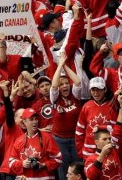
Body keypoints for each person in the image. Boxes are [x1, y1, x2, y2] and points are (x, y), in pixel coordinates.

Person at [50, 52, 82, 180]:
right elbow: (53, 85)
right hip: (59, 140)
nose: (64, 86)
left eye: (66, 83)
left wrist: (64, 66)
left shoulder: (75, 95)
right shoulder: (55, 98)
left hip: (76, 139)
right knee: (64, 172)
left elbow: (78, 82)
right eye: (61, 84)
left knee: (78, 170)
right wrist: (59, 66)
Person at [9, 108, 62, 179]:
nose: (35, 122)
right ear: (24, 121)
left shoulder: (47, 137)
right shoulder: (19, 140)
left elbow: (58, 159)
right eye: (31, 119)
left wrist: (44, 165)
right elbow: (11, 162)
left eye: (36, 119)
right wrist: (22, 164)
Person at [75, 77, 117, 159]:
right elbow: (79, 130)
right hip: (89, 152)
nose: (96, 93)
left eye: (99, 89)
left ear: (105, 90)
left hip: (108, 150)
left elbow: (116, 129)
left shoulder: (111, 106)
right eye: (93, 90)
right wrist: (81, 151)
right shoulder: (86, 106)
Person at [90, 39, 122, 106]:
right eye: (121, 54)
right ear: (117, 58)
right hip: (119, 112)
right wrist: (101, 53)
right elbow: (94, 68)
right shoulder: (112, 73)